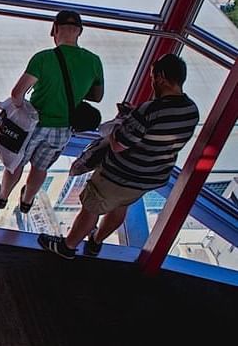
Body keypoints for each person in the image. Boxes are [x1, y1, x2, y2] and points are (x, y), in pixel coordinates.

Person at [39, 54, 200, 259]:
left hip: (120, 174)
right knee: (120, 206)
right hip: (150, 177)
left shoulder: (151, 109)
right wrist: (135, 118)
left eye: (152, 78)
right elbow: (157, 135)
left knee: (92, 207)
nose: (152, 83)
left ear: (161, 77)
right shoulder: (191, 110)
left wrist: (123, 121)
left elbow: (118, 144)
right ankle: (96, 242)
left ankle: (67, 247)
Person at [0, 10, 104, 213]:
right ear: (80, 32)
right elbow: (97, 96)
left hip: (33, 126)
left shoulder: (43, 59)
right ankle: (27, 201)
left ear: (54, 30)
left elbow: (17, 93)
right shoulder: (94, 62)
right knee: (40, 168)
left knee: (15, 164)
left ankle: (2, 197)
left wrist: (20, 109)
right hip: (62, 129)